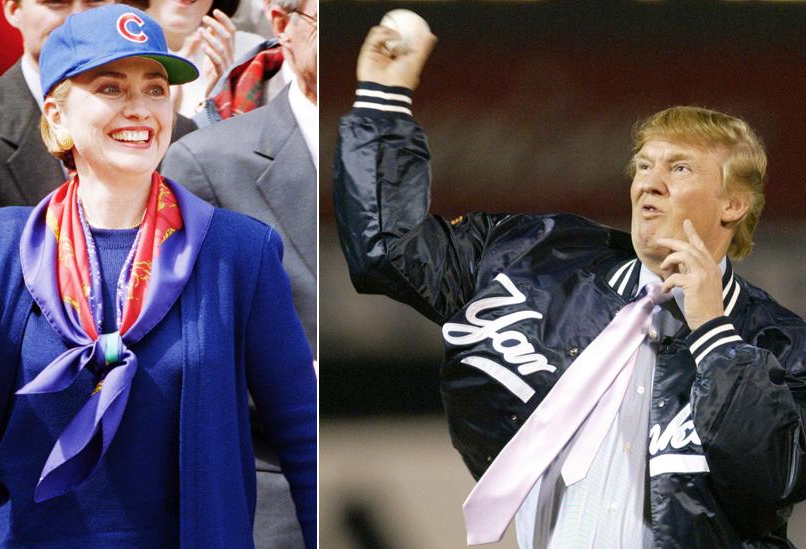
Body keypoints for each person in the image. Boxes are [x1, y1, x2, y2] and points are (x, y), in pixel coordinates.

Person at [0, 4, 316, 547]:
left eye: (156, 88)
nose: (140, 109)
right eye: (111, 89)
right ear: (57, 116)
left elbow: (302, 434)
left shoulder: (236, 251)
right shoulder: (5, 245)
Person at [334, 25, 806, 547]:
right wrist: (381, 101)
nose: (650, 181)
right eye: (644, 165)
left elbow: (771, 473)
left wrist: (714, 333)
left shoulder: (782, 345)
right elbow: (388, 252)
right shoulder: (534, 259)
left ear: (733, 205)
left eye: (679, 167)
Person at [160, 0, 313, 546]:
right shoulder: (204, 163)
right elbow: (178, 353)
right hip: (262, 488)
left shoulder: (400, 152)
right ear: (282, 26)